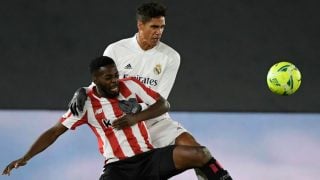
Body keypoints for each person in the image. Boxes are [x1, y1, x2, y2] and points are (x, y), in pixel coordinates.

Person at [68, 2, 231, 179]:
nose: (158, 32)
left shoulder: (171, 57)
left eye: (162, 27)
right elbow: (101, 84)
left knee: (196, 150)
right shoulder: (116, 50)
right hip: (127, 125)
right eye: (154, 26)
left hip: (154, 118)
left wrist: (137, 109)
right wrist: (82, 90)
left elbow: (160, 99)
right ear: (140, 25)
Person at [2, 56, 231, 180]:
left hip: (150, 159)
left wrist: (135, 118)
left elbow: (163, 104)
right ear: (95, 80)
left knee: (200, 154)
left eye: (115, 75)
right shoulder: (86, 103)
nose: (114, 81)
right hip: (119, 169)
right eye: (108, 78)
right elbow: (54, 131)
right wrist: (26, 157)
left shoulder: (130, 85)